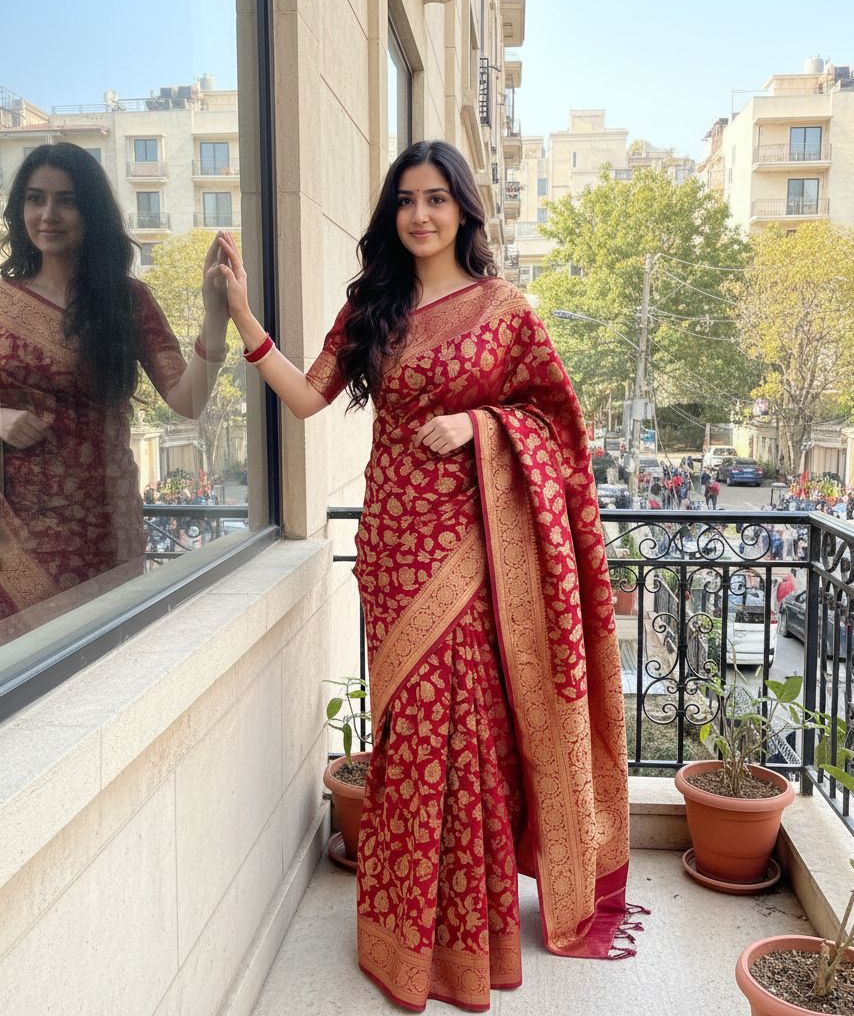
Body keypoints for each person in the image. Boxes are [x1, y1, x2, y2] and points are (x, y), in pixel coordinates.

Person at [215, 140, 638, 1011]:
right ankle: (404, 931)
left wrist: (481, 425)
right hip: (394, 548)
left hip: (477, 554)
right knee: (410, 732)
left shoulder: (506, 309)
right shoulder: (374, 305)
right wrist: (244, 316)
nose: (419, 214)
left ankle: (466, 939)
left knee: (469, 730)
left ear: (464, 210)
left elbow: (561, 430)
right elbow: (307, 396)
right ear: (391, 212)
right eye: (405, 199)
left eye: (437, 198)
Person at [0, 143, 229, 635]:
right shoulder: (2, 302)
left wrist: (215, 317)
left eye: (68, 200)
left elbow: (186, 400)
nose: (49, 215)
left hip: (106, 524)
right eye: (36, 199)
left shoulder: (127, 300)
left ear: (93, 211)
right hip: (17, 533)